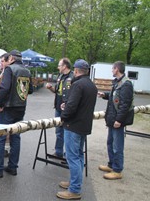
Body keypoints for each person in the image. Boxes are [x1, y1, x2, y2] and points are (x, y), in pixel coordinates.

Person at [0, 50, 33, 178]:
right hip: (21, 107)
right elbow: (31, 90)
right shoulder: (27, 71)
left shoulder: (9, 69)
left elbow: (4, 88)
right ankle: (12, 167)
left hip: (8, 108)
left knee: (0, 137)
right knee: (15, 137)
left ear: (11, 58)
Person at [57, 59, 97, 200]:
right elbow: (80, 105)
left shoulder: (78, 84)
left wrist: (63, 116)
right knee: (78, 156)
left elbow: (72, 106)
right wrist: (67, 106)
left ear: (76, 70)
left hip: (73, 126)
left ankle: (74, 189)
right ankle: (75, 182)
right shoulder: (92, 85)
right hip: (83, 126)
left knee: (72, 157)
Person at [98, 61, 134, 180]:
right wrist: (104, 95)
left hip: (117, 121)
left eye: (112, 69)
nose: (111, 71)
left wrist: (119, 120)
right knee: (110, 143)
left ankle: (117, 170)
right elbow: (115, 96)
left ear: (117, 69)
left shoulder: (126, 84)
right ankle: (111, 164)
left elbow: (125, 104)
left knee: (117, 146)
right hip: (112, 119)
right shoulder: (118, 83)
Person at [46, 58, 73, 158]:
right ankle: (58, 152)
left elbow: (74, 94)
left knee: (68, 132)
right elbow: (57, 91)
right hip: (58, 108)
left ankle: (68, 155)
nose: (58, 67)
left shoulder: (73, 77)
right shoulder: (60, 76)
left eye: (59, 65)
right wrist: (50, 88)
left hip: (67, 109)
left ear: (65, 66)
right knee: (58, 131)